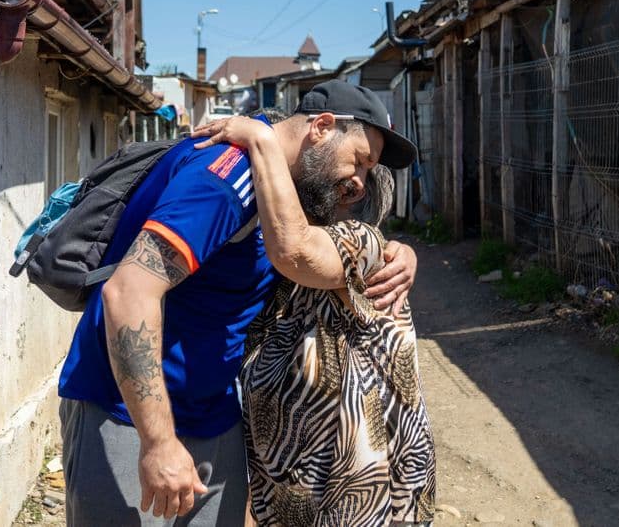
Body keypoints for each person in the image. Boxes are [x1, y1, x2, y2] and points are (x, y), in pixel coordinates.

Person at [57, 80, 420, 526]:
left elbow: (325, 247)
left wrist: (397, 252)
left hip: (212, 413)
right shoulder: (228, 180)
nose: (360, 183)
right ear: (322, 128)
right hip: (128, 416)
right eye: (360, 162)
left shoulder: (287, 185)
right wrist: (158, 443)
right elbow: (129, 292)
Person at [192, 115, 436, 526]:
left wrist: (261, 139)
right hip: (295, 488)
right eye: (358, 162)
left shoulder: (365, 246)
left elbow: (296, 250)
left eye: (366, 174)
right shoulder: (274, 264)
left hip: (360, 490)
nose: (358, 179)